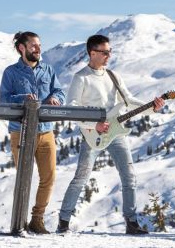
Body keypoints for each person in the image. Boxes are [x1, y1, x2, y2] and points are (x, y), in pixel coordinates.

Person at [57, 34, 165, 234]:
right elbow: (72, 108)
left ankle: (131, 223)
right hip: (92, 135)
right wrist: (93, 125)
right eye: (105, 52)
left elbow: (129, 100)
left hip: (116, 133)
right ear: (92, 53)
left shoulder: (113, 76)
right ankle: (63, 221)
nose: (109, 55)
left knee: (129, 176)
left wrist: (153, 108)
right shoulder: (81, 77)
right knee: (81, 177)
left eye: (110, 51)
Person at [0, 31, 65, 234]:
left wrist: (56, 99)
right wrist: (23, 98)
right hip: (20, 132)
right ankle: (20, 221)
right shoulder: (11, 72)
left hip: (46, 131)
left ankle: (37, 220)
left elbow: (59, 92)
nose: (38, 49)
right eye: (34, 45)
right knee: (24, 178)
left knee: (49, 177)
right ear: (22, 48)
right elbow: (4, 99)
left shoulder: (48, 70)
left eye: (39, 45)